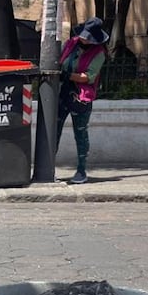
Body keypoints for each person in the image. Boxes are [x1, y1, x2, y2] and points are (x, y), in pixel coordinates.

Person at [56, 16, 110, 184]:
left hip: (80, 97)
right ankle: (48, 166)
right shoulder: (71, 44)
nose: (83, 39)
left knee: (80, 133)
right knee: (54, 130)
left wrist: (68, 75)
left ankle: (81, 169)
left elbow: (88, 77)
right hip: (63, 92)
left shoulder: (99, 53)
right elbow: (61, 62)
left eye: (87, 37)